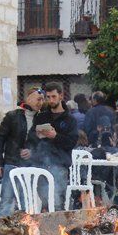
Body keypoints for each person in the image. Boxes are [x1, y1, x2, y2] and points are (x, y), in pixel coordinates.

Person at [29, 82, 79, 211]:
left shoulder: (70, 120)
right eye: (48, 97)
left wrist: (55, 136)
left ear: (61, 96)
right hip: (41, 164)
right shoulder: (41, 117)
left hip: (60, 164)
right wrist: (37, 136)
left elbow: (71, 142)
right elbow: (30, 138)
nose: (51, 100)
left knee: (57, 202)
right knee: (44, 202)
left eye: (53, 96)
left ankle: (59, 229)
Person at [0, 89, 45, 215]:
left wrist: (32, 152)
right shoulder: (12, 116)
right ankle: (0, 228)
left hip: (30, 164)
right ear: (29, 99)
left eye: (43, 100)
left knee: (26, 199)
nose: (41, 103)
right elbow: (0, 139)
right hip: (12, 161)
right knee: (7, 197)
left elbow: (43, 144)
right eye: (38, 99)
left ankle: (26, 228)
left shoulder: (41, 119)